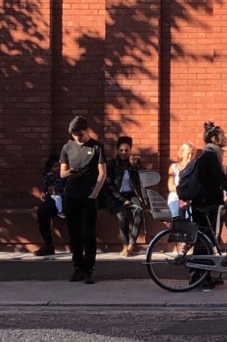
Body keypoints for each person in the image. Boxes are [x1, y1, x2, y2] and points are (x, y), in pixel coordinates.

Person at [190, 121, 227, 289]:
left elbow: (219, 179)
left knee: (208, 240)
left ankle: (206, 275)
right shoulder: (210, 155)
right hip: (203, 204)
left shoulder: (212, 155)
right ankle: (197, 277)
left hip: (206, 202)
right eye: (222, 135)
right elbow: (220, 178)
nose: (225, 138)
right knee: (203, 241)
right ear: (213, 138)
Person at [59, 115, 106, 284]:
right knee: (74, 235)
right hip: (71, 195)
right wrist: (70, 173)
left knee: (88, 234)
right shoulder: (67, 147)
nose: (77, 138)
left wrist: (95, 193)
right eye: (74, 135)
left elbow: (102, 173)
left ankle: (88, 270)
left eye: (79, 134)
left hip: (88, 195)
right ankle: (77, 267)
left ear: (86, 130)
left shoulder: (96, 147)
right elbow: (62, 173)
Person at [104, 135, 144, 257]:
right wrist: (122, 200)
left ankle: (132, 244)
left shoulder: (134, 163)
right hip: (116, 197)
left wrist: (135, 166)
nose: (124, 153)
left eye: (126, 150)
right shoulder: (111, 164)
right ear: (117, 150)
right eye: (121, 150)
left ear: (130, 150)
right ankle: (125, 245)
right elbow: (109, 185)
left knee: (139, 211)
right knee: (122, 215)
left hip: (132, 195)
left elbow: (141, 181)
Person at [33, 153, 65, 256]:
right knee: (42, 211)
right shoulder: (49, 176)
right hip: (52, 198)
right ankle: (48, 245)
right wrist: (46, 192)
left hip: (65, 198)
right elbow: (44, 188)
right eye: (56, 166)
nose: (58, 168)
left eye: (60, 165)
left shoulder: (66, 175)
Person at [166, 141, 197, 219]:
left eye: (192, 154)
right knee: (177, 217)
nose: (190, 156)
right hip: (176, 198)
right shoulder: (174, 167)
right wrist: (184, 191)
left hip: (190, 200)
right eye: (188, 153)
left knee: (191, 218)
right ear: (182, 153)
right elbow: (170, 187)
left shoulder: (195, 168)